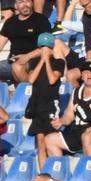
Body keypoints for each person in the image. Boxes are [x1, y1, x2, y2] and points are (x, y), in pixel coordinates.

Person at [21, 32, 68, 169]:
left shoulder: (59, 62)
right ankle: (43, 173)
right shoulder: (35, 62)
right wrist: (42, 60)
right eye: (42, 48)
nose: (44, 50)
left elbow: (53, 79)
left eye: (46, 47)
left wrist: (47, 60)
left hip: (51, 106)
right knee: (40, 142)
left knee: (50, 140)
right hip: (37, 105)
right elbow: (30, 79)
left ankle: (54, 170)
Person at [0, 0, 51, 85]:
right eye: (21, 2)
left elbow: (47, 48)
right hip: (13, 61)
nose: (25, 5)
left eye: (27, 1)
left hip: (34, 61)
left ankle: (31, 93)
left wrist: (27, 57)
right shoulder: (10, 22)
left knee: (17, 67)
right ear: (15, 5)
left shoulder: (41, 19)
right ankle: (8, 95)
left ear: (32, 3)